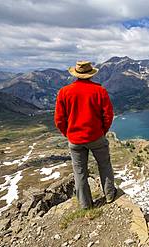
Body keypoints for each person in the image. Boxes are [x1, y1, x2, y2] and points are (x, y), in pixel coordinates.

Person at [54, 60, 117, 209]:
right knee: (104, 165)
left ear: (76, 74)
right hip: (96, 137)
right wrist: (102, 131)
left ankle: (85, 205)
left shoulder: (64, 92)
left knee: (80, 172)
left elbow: (59, 119)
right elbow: (108, 115)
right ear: (90, 74)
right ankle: (109, 195)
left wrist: (68, 134)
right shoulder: (99, 90)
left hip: (75, 140)